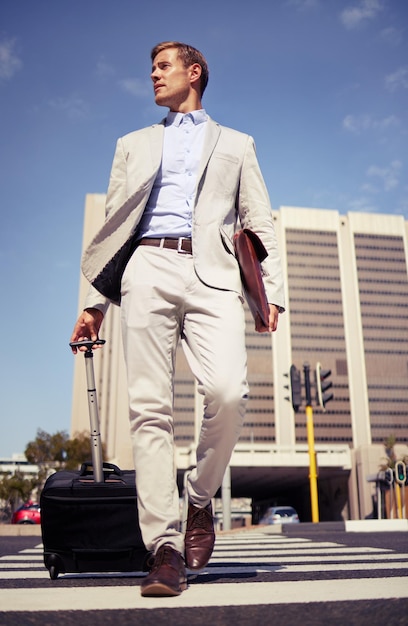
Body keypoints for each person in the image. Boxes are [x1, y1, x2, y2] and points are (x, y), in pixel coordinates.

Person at [70, 41, 285, 597]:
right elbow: (112, 226)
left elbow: (259, 218)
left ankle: (198, 497)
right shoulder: (133, 143)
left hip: (213, 274)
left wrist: (272, 295)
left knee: (229, 391)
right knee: (149, 408)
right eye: (152, 67)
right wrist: (92, 304)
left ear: (194, 73)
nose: (152, 74)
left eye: (163, 66)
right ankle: (163, 548)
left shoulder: (237, 144)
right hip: (147, 265)